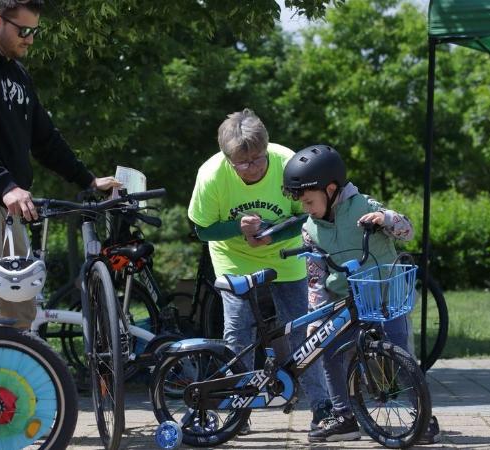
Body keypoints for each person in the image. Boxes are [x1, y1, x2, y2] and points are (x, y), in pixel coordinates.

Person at [0, 0, 119, 326]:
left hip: (9, 206)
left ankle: (9, 379)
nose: (30, 39)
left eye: (34, 31)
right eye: (24, 30)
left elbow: (45, 139)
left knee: (20, 312)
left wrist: (88, 180)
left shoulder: (17, 74)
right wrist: (6, 186)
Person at [282, 144, 440, 443]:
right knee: (330, 352)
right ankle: (343, 417)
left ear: (330, 189)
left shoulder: (363, 206)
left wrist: (386, 219)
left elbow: (407, 230)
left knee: (400, 355)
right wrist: (318, 315)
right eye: (302, 203)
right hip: (345, 304)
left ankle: (422, 415)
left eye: (309, 201)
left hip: (386, 298)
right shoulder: (310, 228)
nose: (306, 208)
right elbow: (316, 278)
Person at [187, 109, 331, 434]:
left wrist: (271, 233)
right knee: (238, 333)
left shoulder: (287, 163)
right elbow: (202, 230)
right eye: (243, 162)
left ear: (267, 149)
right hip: (233, 259)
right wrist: (238, 229)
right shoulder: (211, 175)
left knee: (300, 331)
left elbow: (305, 216)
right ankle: (239, 409)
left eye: (258, 159)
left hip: (284, 256)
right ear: (229, 159)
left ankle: (322, 408)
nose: (252, 168)